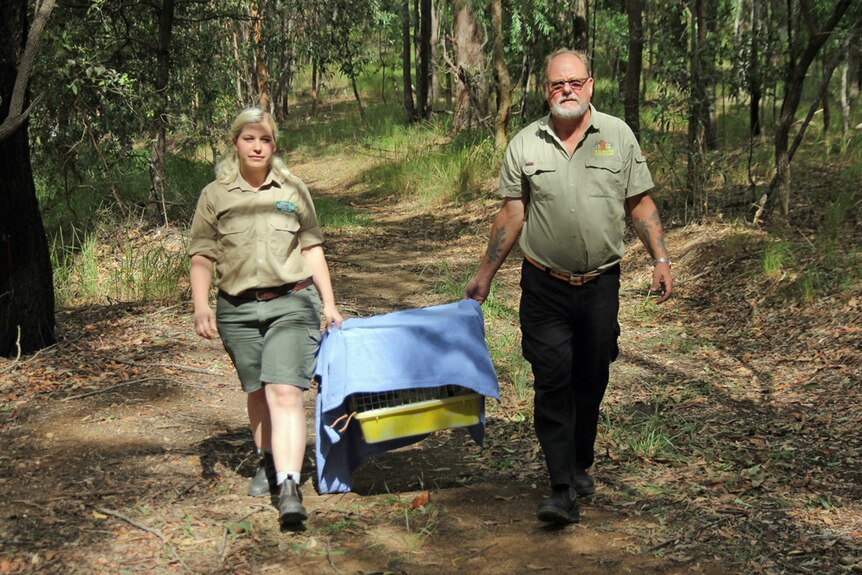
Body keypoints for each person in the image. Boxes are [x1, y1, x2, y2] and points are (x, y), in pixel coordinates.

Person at [464, 49, 672, 525]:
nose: (567, 91)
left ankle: (579, 463)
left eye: (575, 82)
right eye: (558, 84)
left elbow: (639, 203)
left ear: (591, 85)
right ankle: (560, 486)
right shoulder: (525, 143)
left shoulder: (617, 136)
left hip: (601, 285)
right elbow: (512, 214)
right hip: (543, 285)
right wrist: (484, 275)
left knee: (591, 379)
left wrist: (660, 258)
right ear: (546, 90)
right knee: (551, 380)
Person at [188, 107, 342, 527]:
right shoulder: (215, 195)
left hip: (292, 301)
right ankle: (269, 460)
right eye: (249, 139)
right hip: (236, 309)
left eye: (266, 140)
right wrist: (202, 305)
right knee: (257, 390)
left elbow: (311, 248)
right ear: (235, 143)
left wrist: (328, 302)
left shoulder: (293, 189)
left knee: (285, 390)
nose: (258, 146)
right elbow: (201, 254)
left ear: (275, 145)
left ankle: (290, 487)